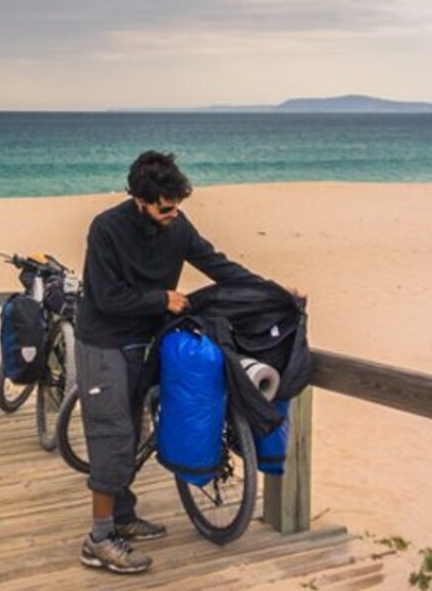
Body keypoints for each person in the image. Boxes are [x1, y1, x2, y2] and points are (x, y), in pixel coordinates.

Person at [74, 150, 265, 574]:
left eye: (178, 204)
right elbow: (105, 297)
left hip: (146, 342)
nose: (172, 213)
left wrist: (271, 291)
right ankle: (98, 538)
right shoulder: (106, 228)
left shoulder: (177, 224)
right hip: (102, 342)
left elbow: (217, 265)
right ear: (140, 199)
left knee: (134, 427)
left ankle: (122, 519)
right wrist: (161, 298)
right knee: (111, 435)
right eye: (164, 206)